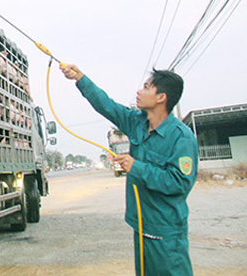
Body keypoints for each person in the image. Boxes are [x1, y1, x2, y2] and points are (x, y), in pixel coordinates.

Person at [60, 64, 198, 276]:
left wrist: (136, 166)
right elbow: (108, 106)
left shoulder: (181, 138)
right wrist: (80, 78)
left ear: (161, 97)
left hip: (166, 232)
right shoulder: (138, 123)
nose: (139, 92)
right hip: (141, 225)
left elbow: (179, 183)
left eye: (146, 87)